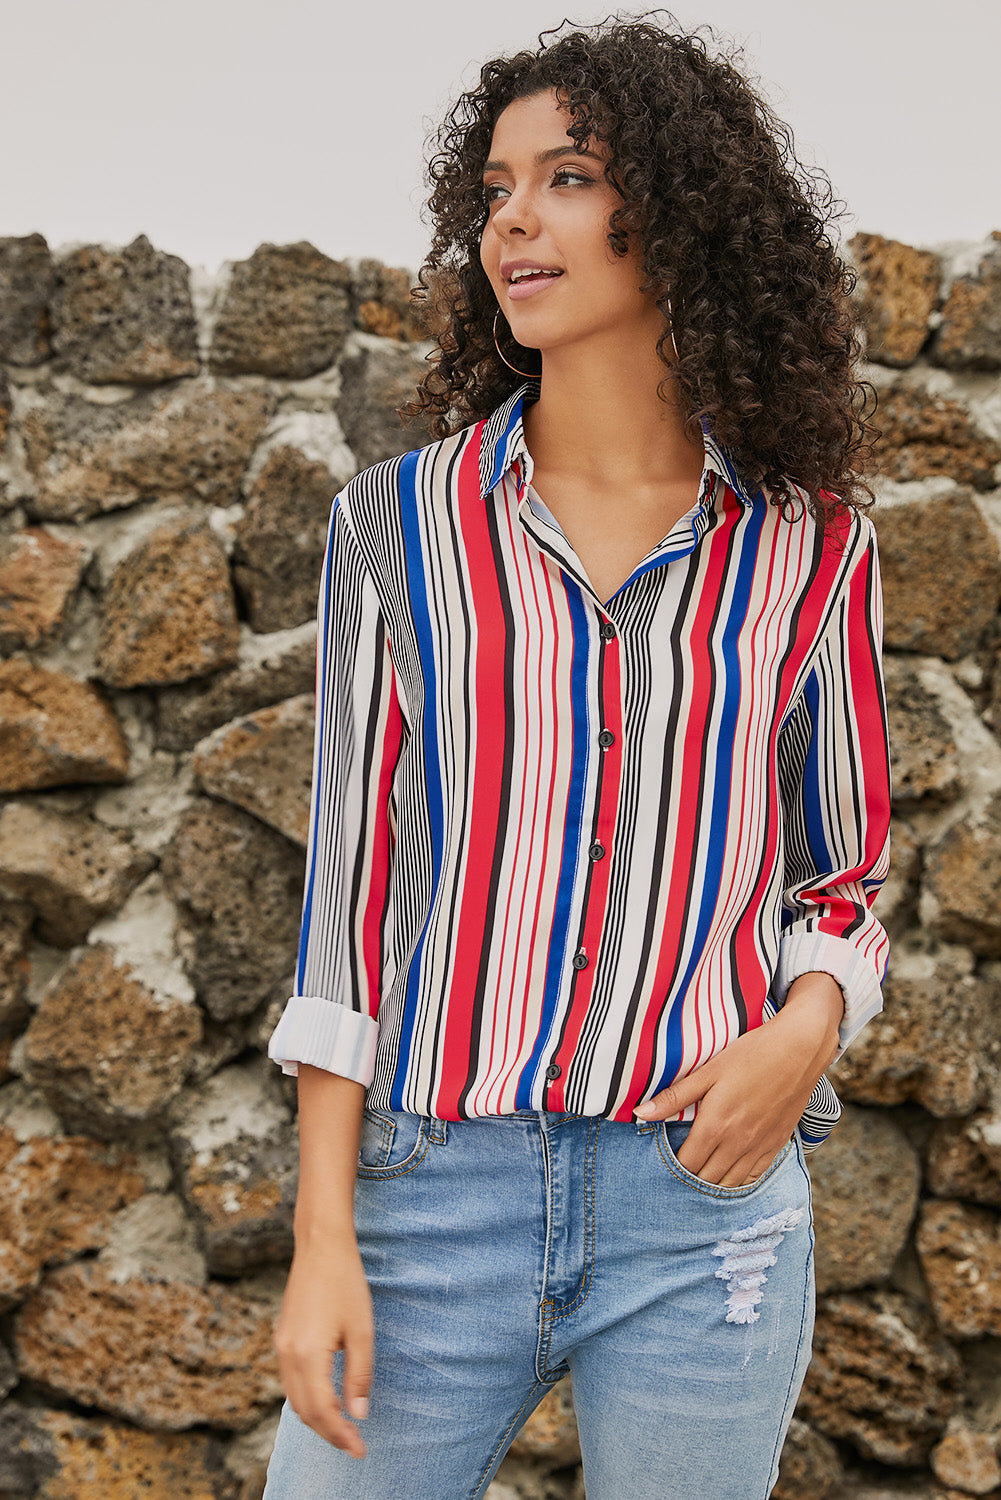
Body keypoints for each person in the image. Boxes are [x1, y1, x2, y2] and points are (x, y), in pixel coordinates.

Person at [261, 12, 891, 1499]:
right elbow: (350, 904)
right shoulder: (394, 528)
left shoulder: (811, 547)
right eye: (494, 189)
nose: (514, 221)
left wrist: (804, 1032)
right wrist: (323, 1237)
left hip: (702, 1208)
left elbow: (846, 870)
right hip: (429, 1201)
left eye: (568, 177)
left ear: (678, 214)